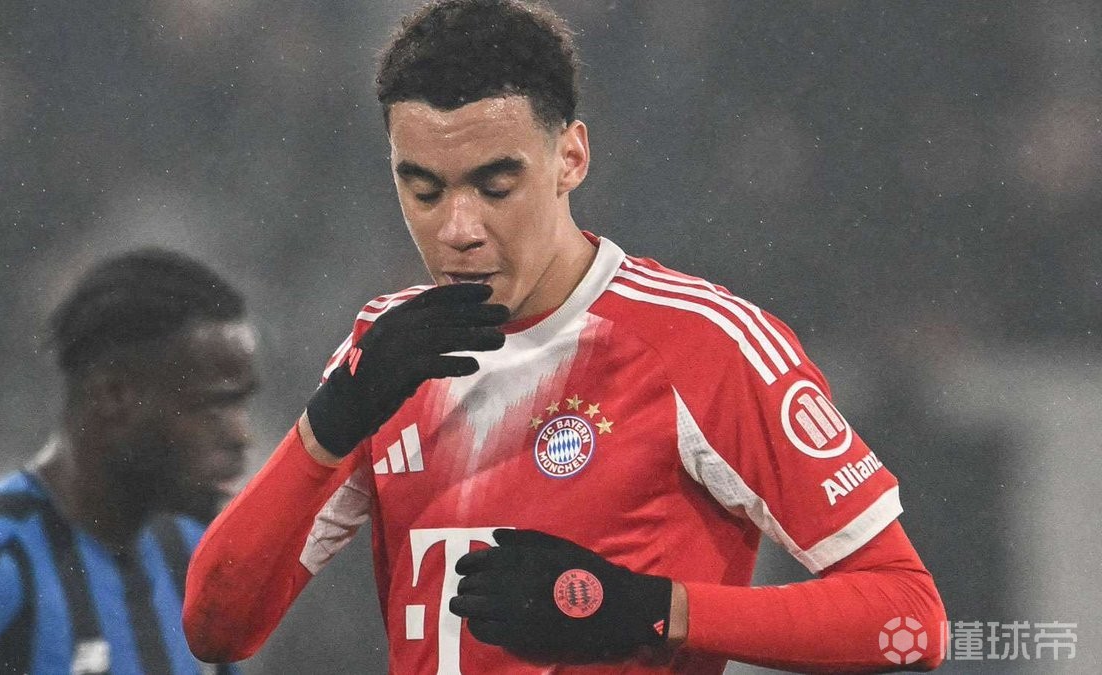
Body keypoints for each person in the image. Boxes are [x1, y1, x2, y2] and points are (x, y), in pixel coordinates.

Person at [184, 1, 946, 672]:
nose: (458, 228)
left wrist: (649, 606)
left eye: (496, 185)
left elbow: (909, 619)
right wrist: (329, 424)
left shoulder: (704, 343)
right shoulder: (385, 353)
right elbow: (217, 628)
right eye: (423, 189)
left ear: (571, 157)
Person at [0, 249, 255, 674]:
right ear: (113, 396)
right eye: (214, 406)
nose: (241, 436)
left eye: (242, 405)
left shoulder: (192, 561)